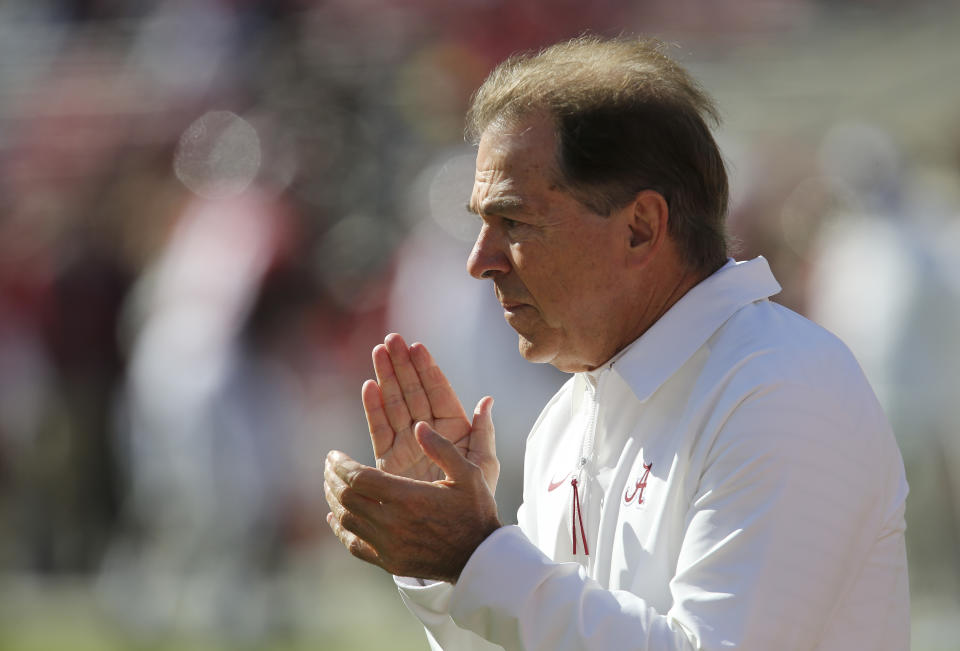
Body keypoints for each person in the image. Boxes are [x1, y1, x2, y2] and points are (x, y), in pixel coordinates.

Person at [323, 36, 910, 650]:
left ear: (640, 228)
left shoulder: (782, 388)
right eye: (481, 223)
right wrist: (444, 563)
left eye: (515, 222)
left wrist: (477, 556)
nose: (480, 261)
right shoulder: (572, 413)